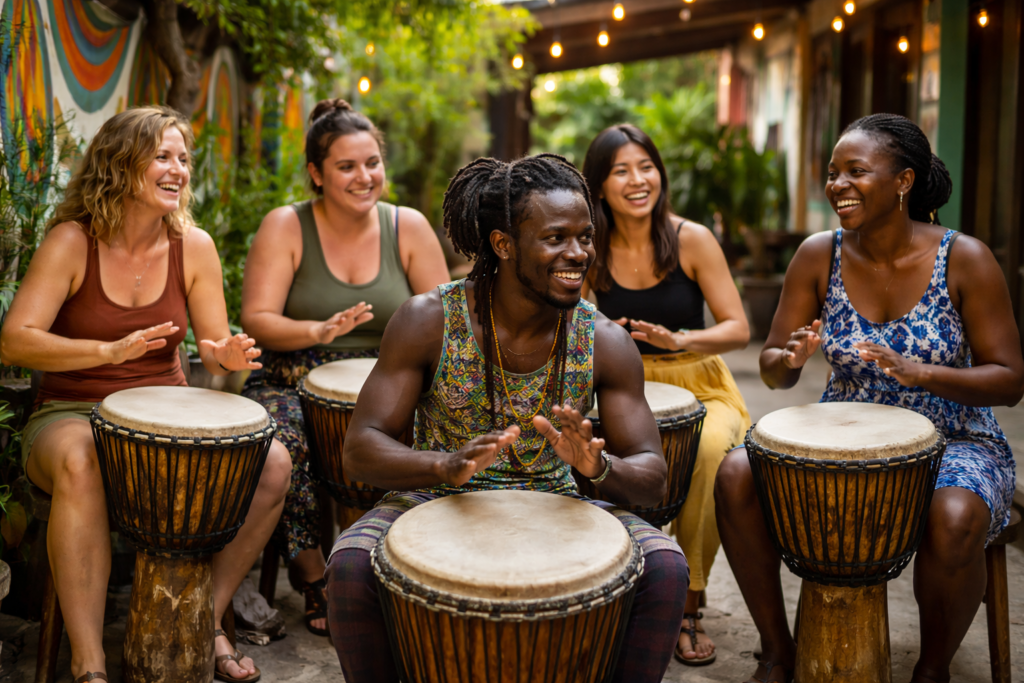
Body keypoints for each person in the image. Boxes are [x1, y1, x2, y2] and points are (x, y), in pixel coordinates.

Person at [323, 154, 690, 683]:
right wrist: (442, 466)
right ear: (503, 244)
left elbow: (653, 477)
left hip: (558, 499)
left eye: (586, 237)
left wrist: (599, 467)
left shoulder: (605, 341)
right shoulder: (429, 320)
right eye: (556, 238)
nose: (578, 253)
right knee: (351, 563)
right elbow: (360, 448)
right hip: (434, 497)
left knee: (666, 566)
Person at [715, 113, 1023, 683]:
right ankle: (778, 649)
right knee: (736, 473)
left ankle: (932, 670)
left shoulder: (965, 258)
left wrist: (921, 373)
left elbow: (1009, 380)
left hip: (955, 438)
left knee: (955, 513)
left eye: (856, 171)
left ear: (903, 181)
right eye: (834, 173)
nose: (838, 185)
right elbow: (772, 370)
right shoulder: (819, 254)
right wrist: (788, 360)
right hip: (843, 437)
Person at [0, 107, 291, 683]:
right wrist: (107, 352)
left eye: (183, 158)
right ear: (119, 163)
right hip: (71, 413)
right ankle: (89, 662)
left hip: (165, 419)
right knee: (81, 460)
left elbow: (214, 348)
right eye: (162, 156)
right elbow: (15, 340)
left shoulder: (193, 246)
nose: (178, 169)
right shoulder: (72, 242)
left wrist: (226, 357)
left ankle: (204, 621)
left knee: (274, 464)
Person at [239, 98, 449, 636]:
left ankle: (409, 563)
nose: (365, 177)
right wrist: (317, 331)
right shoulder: (286, 225)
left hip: (387, 378)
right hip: (291, 375)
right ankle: (313, 574)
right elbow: (257, 319)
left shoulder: (408, 226)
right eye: (347, 166)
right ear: (316, 173)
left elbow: (446, 319)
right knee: (283, 442)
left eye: (372, 163)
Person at [581, 123, 750, 666]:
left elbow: (738, 327)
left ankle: (689, 602)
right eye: (621, 171)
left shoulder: (691, 238)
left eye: (646, 166)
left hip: (700, 381)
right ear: (599, 185)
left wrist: (682, 339)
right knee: (590, 455)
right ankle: (611, 587)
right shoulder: (588, 247)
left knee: (710, 453)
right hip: (621, 386)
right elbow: (568, 321)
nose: (638, 180)